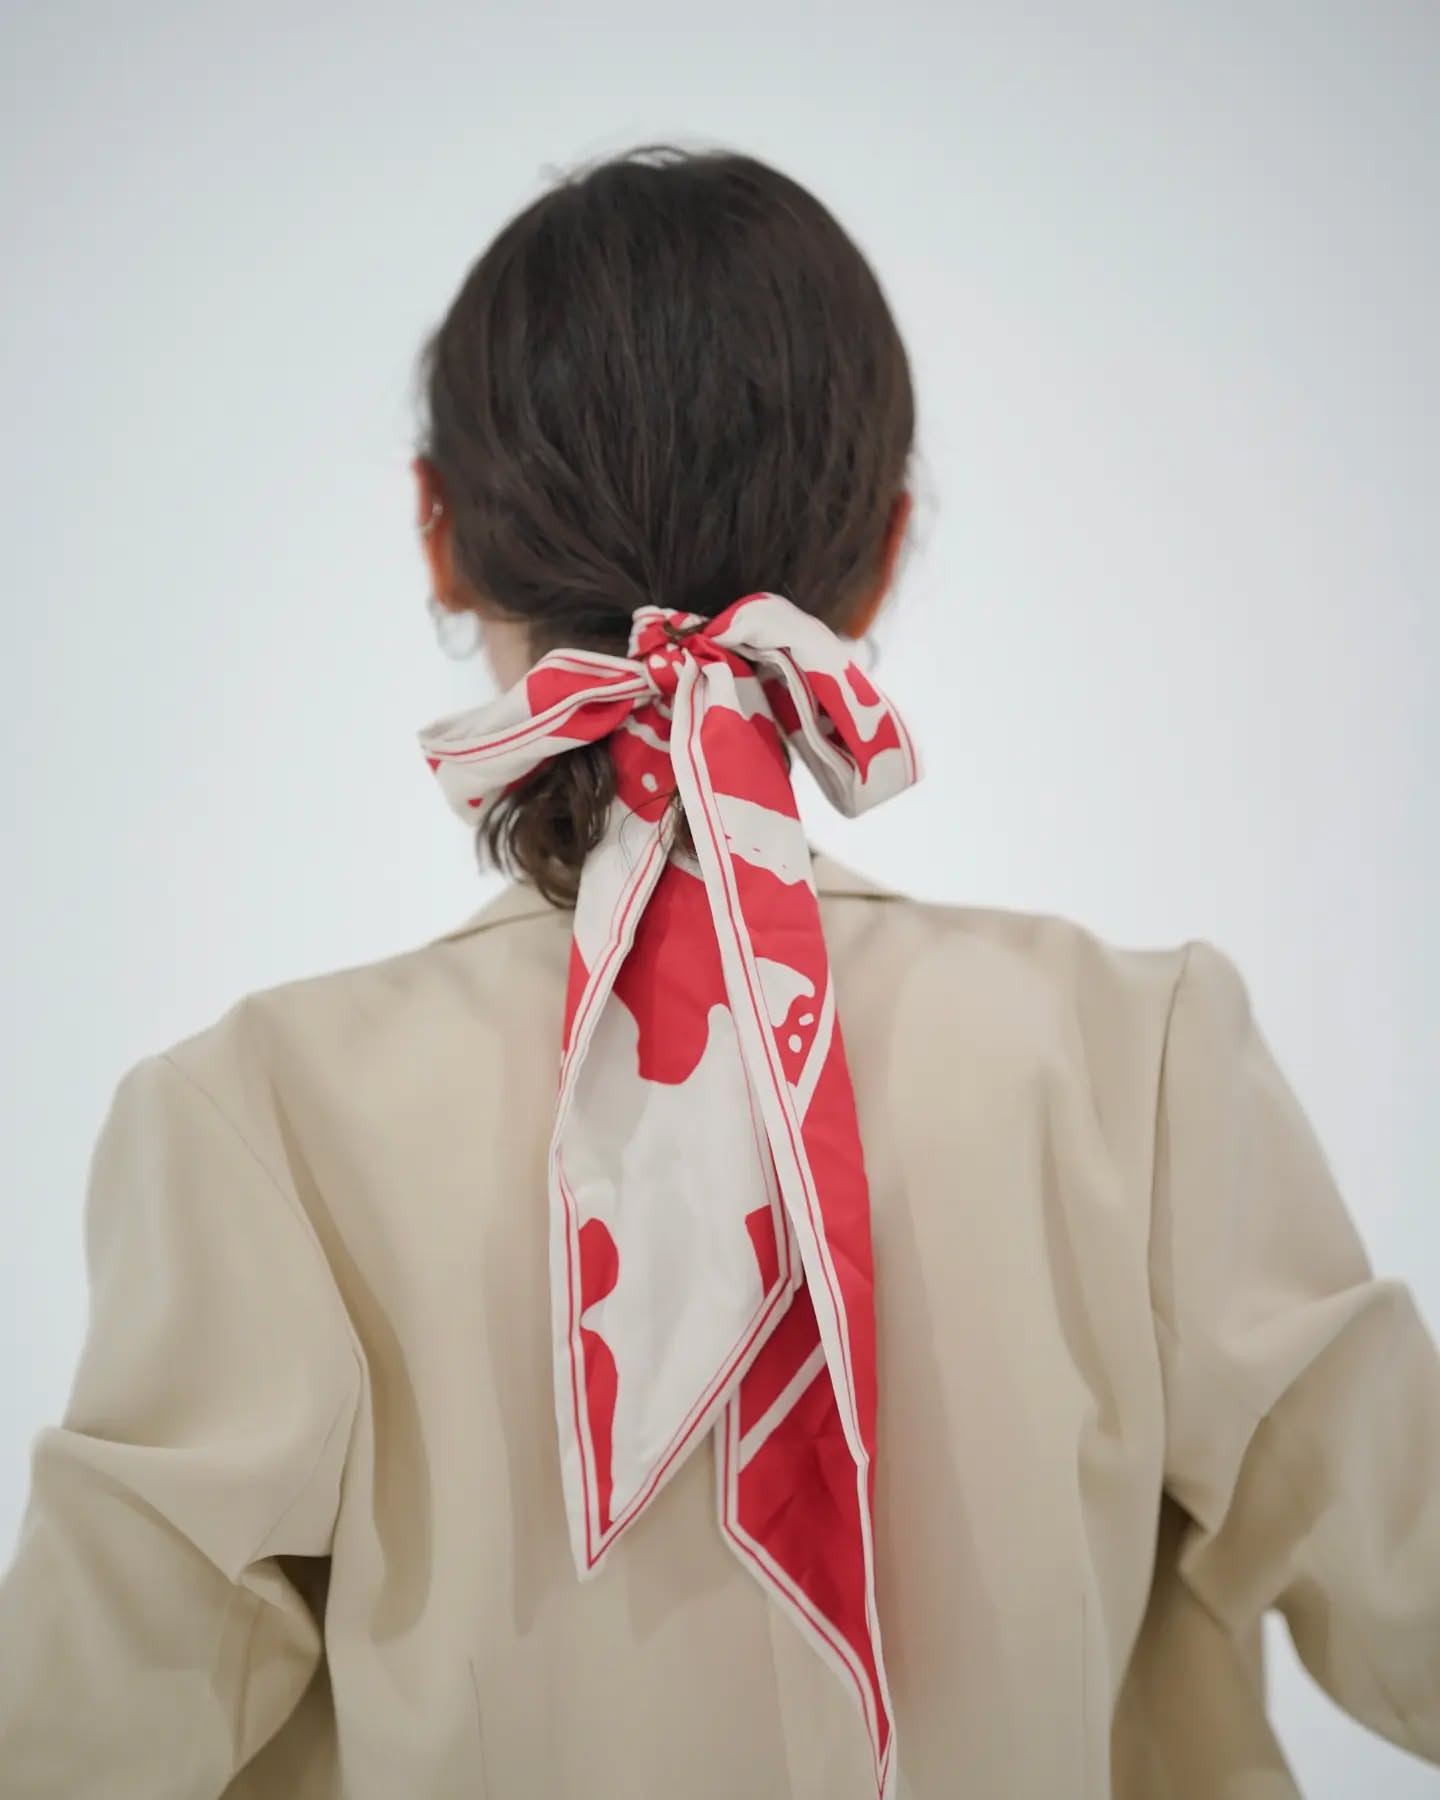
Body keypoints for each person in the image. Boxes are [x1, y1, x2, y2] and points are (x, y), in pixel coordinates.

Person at [0, 147, 1436, 1800]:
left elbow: (77, 1740)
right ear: (884, 552)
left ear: (437, 534)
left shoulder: (257, 1119)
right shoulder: (1142, 1061)